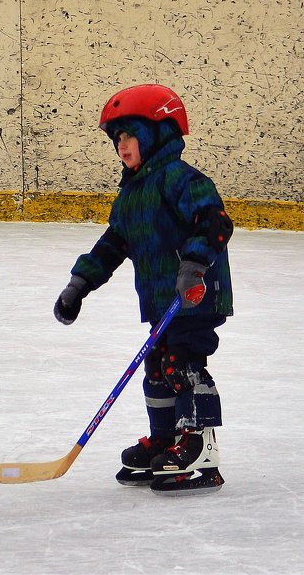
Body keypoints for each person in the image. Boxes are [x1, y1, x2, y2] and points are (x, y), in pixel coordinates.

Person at [53, 84, 233, 494]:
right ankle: (168, 439)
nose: (121, 145)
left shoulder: (181, 179)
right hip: (160, 300)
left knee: (181, 363)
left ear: (157, 134)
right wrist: (79, 284)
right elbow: (113, 244)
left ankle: (199, 447)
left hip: (197, 293)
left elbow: (215, 222)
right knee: (156, 367)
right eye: (116, 138)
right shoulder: (131, 195)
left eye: (129, 135)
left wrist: (193, 265)